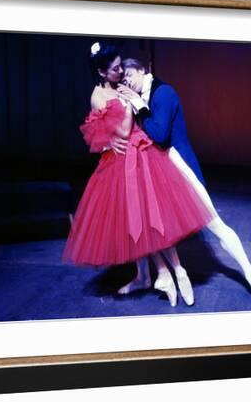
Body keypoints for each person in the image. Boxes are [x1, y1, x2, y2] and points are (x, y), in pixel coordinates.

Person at [62, 42, 215, 306]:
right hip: (120, 161)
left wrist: (133, 100)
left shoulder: (123, 86)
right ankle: (154, 275)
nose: (120, 71)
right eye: (114, 69)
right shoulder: (98, 95)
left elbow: (141, 117)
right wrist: (126, 106)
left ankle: (173, 272)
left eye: (121, 65)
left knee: (154, 216)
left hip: (143, 153)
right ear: (101, 72)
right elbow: (115, 131)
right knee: (137, 221)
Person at [115, 58, 251, 305]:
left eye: (130, 75)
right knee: (150, 224)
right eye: (123, 79)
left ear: (143, 70)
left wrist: (137, 105)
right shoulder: (138, 98)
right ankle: (156, 276)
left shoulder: (163, 92)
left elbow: (159, 134)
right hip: (162, 173)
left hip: (182, 168)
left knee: (216, 224)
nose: (126, 81)